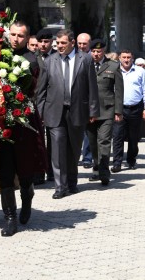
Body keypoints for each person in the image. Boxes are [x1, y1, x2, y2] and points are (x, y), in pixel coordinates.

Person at [0, 20, 47, 236]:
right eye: (12, 34)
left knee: (24, 171)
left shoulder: (32, 60)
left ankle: (27, 199)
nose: (15, 39)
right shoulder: (0, 55)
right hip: (2, 122)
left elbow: (30, 87)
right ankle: (10, 218)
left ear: (27, 37)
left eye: (20, 35)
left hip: (23, 122)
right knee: (4, 172)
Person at [37, 29, 100, 199]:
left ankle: (72, 182)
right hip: (54, 111)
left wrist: (93, 110)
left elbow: (92, 87)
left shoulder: (85, 59)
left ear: (72, 43)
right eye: (58, 43)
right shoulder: (50, 61)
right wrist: (40, 111)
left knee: (73, 149)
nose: (60, 46)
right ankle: (60, 186)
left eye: (64, 43)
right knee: (57, 149)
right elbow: (41, 90)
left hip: (77, 111)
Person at [86, 39, 123, 185]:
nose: (95, 54)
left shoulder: (113, 66)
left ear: (104, 51)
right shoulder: (85, 64)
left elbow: (119, 90)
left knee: (104, 142)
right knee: (93, 143)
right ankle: (96, 168)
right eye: (93, 51)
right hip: (89, 111)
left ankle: (104, 172)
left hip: (107, 110)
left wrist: (118, 111)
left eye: (98, 51)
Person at [112, 50, 145, 172]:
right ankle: (117, 163)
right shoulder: (115, 71)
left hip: (136, 109)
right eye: (124, 57)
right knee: (117, 136)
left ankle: (131, 160)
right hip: (120, 109)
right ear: (119, 58)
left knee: (133, 138)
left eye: (129, 57)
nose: (126, 59)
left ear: (133, 58)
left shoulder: (140, 71)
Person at [33, 28, 56, 185]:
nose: (43, 44)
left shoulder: (57, 58)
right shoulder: (32, 58)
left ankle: (52, 172)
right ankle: (39, 172)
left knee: (53, 140)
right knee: (38, 140)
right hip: (35, 103)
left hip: (52, 103)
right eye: (40, 42)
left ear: (51, 42)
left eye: (46, 42)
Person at [77, 33, 94, 168]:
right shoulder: (72, 56)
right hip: (74, 101)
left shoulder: (92, 58)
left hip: (88, 100)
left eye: (85, 44)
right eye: (79, 43)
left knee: (88, 132)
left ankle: (87, 157)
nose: (82, 46)